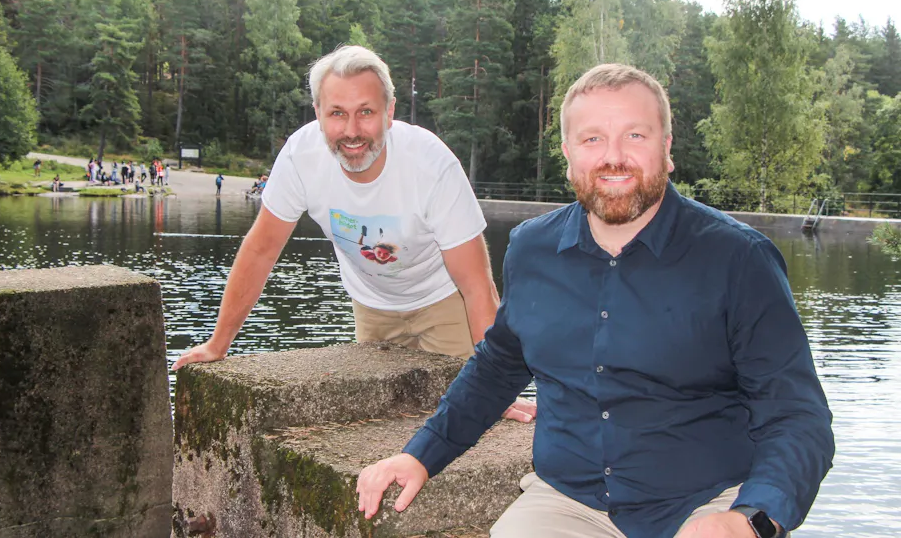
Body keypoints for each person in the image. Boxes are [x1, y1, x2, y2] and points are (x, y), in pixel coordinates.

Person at [356, 64, 835, 538]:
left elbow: (797, 415)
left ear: (667, 149)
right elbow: (497, 368)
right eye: (592, 140)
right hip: (569, 502)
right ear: (568, 154)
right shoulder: (531, 249)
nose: (614, 157)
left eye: (635, 136)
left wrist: (751, 519)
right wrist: (419, 454)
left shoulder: (739, 258)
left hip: (708, 502)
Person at [171, 45, 534, 422]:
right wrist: (219, 344)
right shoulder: (301, 157)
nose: (351, 131)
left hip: (445, 302)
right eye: (337, 114)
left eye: (366, 112)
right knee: (383, 421)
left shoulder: (431, 164)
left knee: (467, 420)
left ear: (389, 112)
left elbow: (477, 285)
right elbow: (260, 251)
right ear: (318, 113)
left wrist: (495, 388)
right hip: (372, 307)